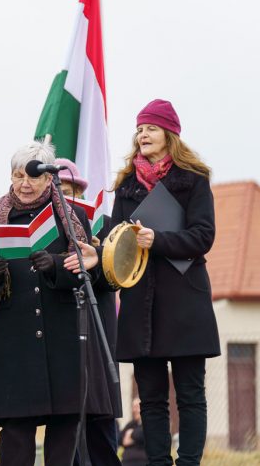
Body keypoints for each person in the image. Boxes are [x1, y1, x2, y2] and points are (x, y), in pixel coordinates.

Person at [65, 99, 220, 465]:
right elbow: (118, 242)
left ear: (170, 134)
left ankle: (189, 462)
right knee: (150, 398)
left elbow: (204, 236)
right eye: (139, 129)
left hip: (184, 302)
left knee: (190, 394)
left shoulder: (194, 180)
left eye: (150, 128)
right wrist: (97, 256)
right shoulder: (126, 186)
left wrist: (158, 240)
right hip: (141, 305)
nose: (143, 135)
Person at [0, 141, 116, 466]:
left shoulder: (72, 216)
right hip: (14, 341)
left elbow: (89, 273)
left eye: (33, 176)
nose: (25, 183)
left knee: (65, 431)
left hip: (64, 340)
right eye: (18, 175)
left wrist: (56, 266)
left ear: (49, 179)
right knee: (16, 436)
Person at [54, 158, 122, 466]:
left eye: (70, 190)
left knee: (100, 418)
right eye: (59, 190)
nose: (66, 196)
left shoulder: (104, 225)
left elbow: (116, 277)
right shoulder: (44, 229)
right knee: (67, 425)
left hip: (97, 329)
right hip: (62, 331)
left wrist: (98, 255)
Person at [120, 398, 147, 466]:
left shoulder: (149, 423)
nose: (134, 410)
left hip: (142, 462)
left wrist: (130, 434)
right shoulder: (131, 424)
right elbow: (120, 438)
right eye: (133, 407)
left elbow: (141, 435)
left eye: (137, 407)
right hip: (126, 462)